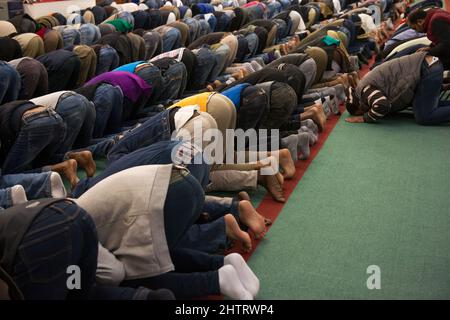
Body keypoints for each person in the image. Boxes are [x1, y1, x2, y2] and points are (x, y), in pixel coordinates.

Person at [345, 52, 450, 125]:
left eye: (362, 111)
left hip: (426, 69)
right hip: (428, 66)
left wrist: (365, 118)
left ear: (359, 106)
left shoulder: (364, 91)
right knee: (424, 105)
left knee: (424, 116)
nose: (366, 111)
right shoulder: (364, 84)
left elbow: (383, 105)